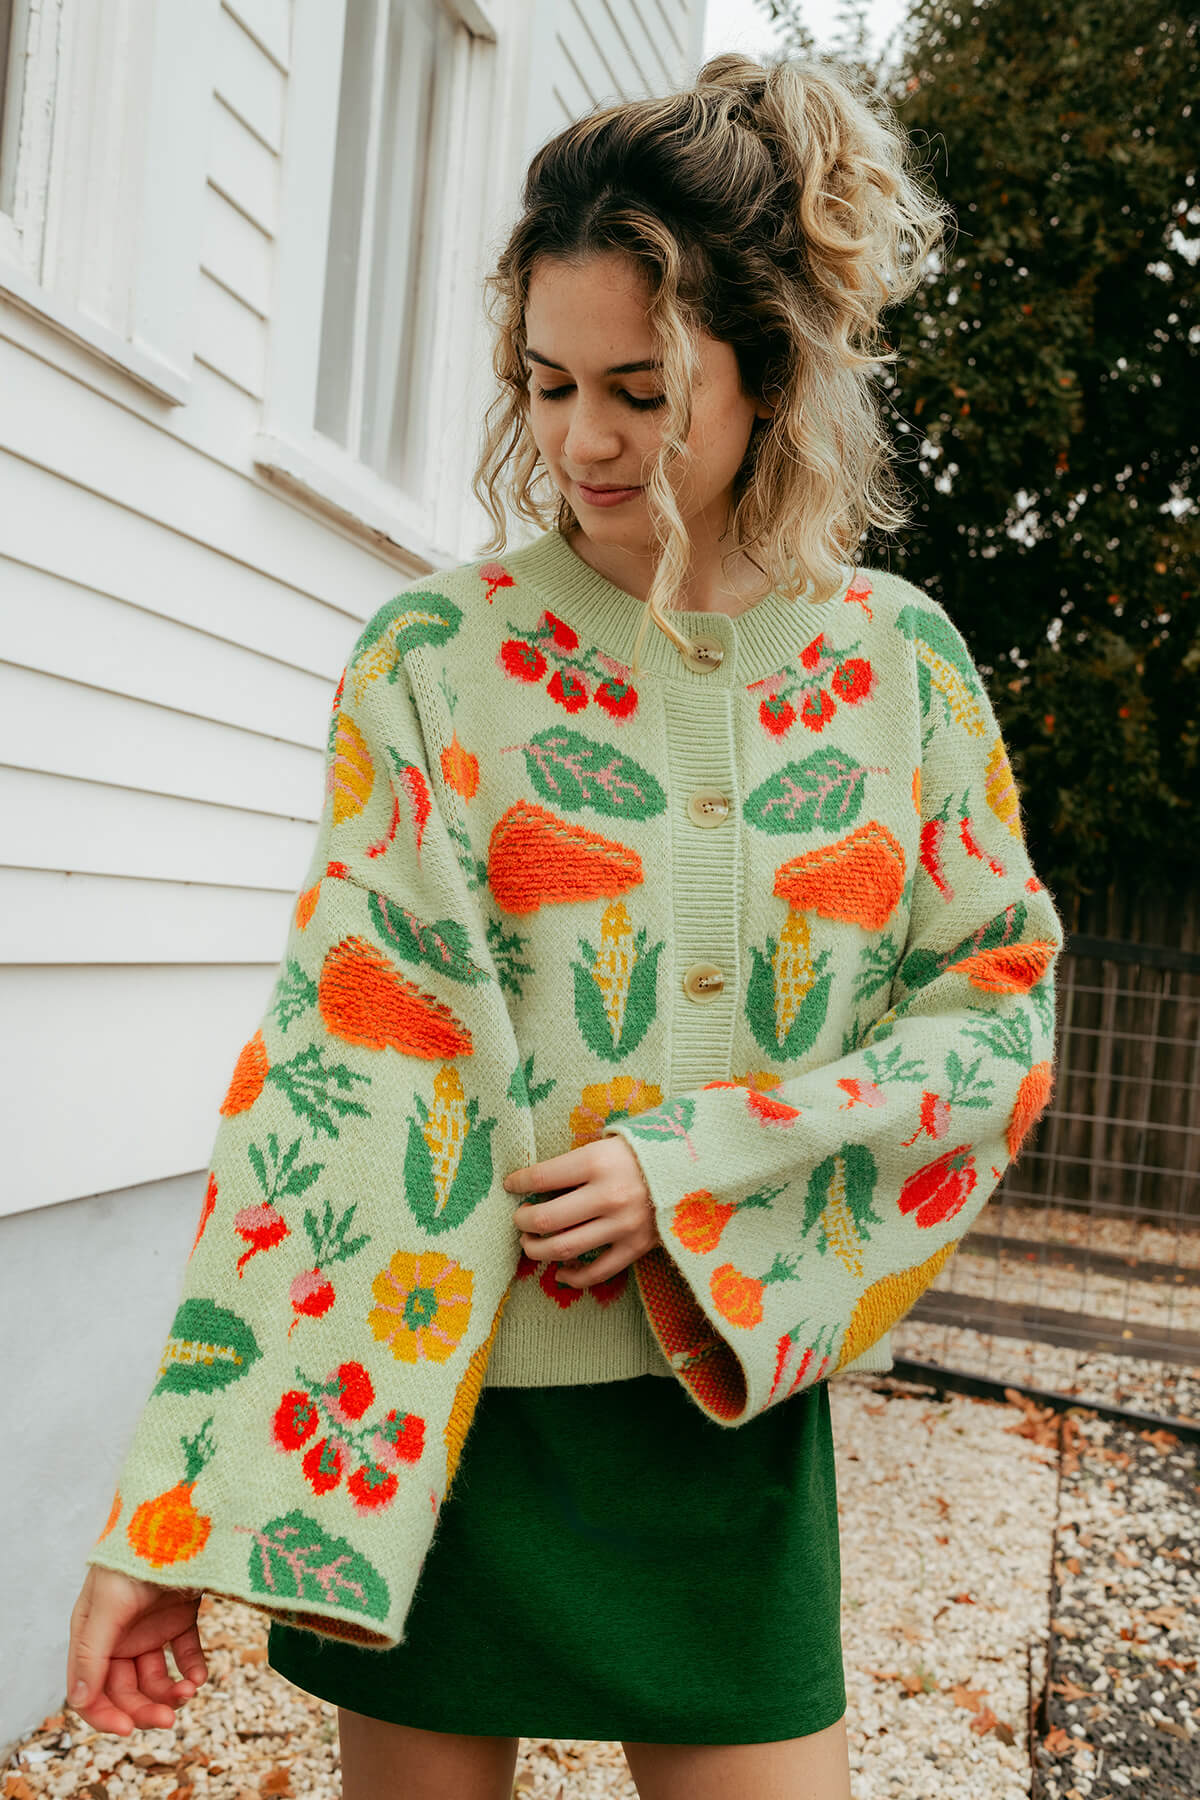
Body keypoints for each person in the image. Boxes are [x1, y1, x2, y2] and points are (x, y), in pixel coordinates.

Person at [66, 51, 1063, 1800]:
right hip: (435, 1428)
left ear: (770, 373)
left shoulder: (901, 670)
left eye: (640, 389)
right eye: (545, 383)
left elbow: (997, 1021)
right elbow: (344, 1068)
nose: (581, 440)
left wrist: (693, 1168)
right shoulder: (432, 665)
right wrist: (178, 1509)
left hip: (727, 1406)